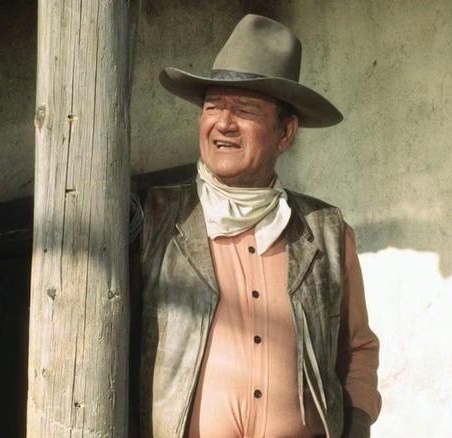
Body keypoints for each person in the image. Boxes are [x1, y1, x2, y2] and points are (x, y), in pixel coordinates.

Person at [134, 14, 381, 438]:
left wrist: (356, 425)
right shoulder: (153, 219)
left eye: (245, 110)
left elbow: (358, 350)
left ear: (285, 133)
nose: (223, 123)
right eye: (213, 106)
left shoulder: (326, 232)